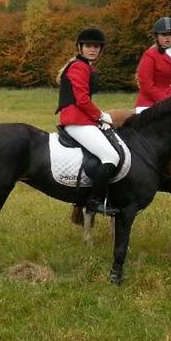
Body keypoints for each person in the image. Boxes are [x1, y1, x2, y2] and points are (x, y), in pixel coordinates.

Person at [56, 28, 118, 216]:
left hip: (82, 119)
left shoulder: (86, 66)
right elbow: (82, 99)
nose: (93, 49)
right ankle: (94, 201)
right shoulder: (79, 67)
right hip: (76, 121)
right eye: (88, 46)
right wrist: (100, 116)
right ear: (80, 47)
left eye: (96, 47)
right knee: (111, 157)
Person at [134, 16, 171, 112]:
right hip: (150, 104)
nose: (167, 37)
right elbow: (146, 84)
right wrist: (167, 101)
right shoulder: (149, 55)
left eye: (170, 34)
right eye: (163, 34)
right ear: (157, 36)